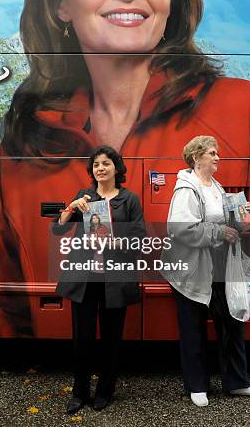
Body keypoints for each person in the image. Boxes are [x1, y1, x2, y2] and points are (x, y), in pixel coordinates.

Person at [0, 0, 250, 338]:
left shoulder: (249, 110)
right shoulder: (27, 142)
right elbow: (1, 302)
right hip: (73, 378)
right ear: (61, 6)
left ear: (171, 1)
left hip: (203, 380)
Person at [162, 135, 250, 407]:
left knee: (233, 321)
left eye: (217, 152)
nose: (217, 157)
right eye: (212, 153)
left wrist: (241, 215)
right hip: (192, 268)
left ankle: (237, 382)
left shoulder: (217, 187)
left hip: (220, 264)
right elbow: (178, 228)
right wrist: (219, 231)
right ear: (196, 158)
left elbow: (224, 222)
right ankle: (196, 386)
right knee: (193, 327)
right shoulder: (186, 189)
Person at [53, 146, 146, 413]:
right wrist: (70, 208)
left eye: (106, 163)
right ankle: (79, 392)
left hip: (114, 278)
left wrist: (115, 239)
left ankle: (105, 391)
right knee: (82, 338)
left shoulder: (129, 200)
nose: (100, 168)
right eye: (96, 165)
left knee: (111, 339)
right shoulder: (84, 197)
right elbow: (58, 228)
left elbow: (139, 237)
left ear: (117, 167)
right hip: (85, 277)